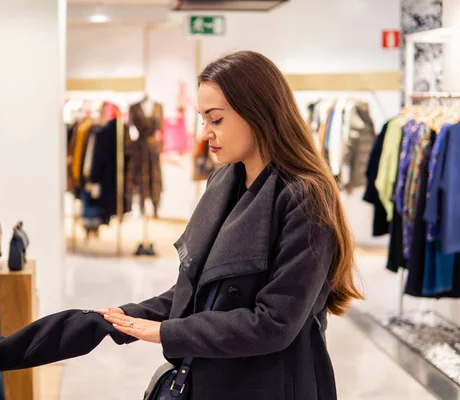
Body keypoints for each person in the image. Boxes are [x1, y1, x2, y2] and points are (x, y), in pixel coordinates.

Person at [101, 50, 363, 400]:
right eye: (203, 119)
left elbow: (274, 322)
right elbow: (199, 291)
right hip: (214, 378)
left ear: (257, 112)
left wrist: (166, 332)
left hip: (274, 384)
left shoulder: (305, 197)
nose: (206, 133)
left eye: (216, 119)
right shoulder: (224, 181)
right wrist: (131, 317)